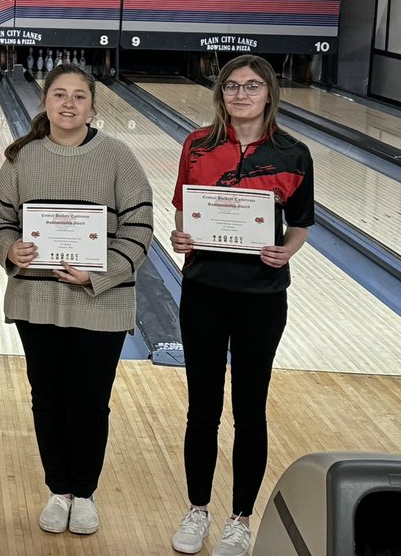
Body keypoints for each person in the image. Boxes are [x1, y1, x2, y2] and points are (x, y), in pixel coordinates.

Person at [0, 64, 153, 536]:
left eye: (79, 96)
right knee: (48, 399)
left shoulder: (119, 157)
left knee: (89, 401)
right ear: (44, 102)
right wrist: (9, 249)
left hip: (100, 302)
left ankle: (85, 492)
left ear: (92, 105)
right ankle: (58, 489)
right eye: (59, 95)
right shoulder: (23, 158)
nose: (68, 104)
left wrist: (98, 273)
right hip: (36, 299)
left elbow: (140, 231)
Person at [168, 55, 314, 556]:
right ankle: (197, 509)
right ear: (220, 94)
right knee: (201, 409)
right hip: (205, 289)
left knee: (250, 410)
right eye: (232, 86)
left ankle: (240, 519)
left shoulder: (294, 153)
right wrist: (181, 236)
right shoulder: (196, 145)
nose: (241, 95)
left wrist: (287, 250)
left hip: (262, 296)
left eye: (252, 86)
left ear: (269, 93)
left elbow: (301, 223)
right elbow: (185, 208)